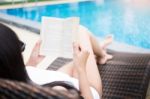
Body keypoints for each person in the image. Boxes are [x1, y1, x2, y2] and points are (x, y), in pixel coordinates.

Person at [0, 23, 113, 99]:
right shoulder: (57, 91)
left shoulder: (8, 82)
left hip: (53, 79)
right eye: (20, 47)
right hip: (86, 88)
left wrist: (32, 63)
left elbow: (22, 78)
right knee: (80, 31)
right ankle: (102, 55)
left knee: (84, 56)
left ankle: (97, 49)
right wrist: (81, 69)